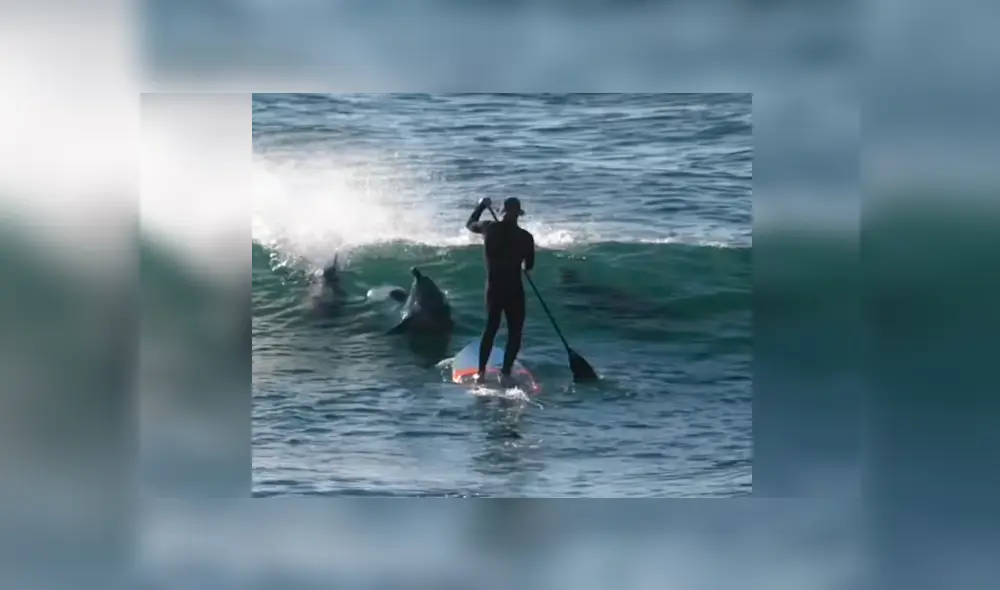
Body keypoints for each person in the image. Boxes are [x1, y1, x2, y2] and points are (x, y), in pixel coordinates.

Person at [466, 196, 535, 386]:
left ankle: (480, 373)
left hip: (494, 287)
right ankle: (505, 374)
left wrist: (481, 206)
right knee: (515, 331)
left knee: (491, 328)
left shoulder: (490, 228)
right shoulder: (526, 238)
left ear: (503, 212)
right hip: (514, 288)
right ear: (518, 214)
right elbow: (528, 267)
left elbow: (470, 224)